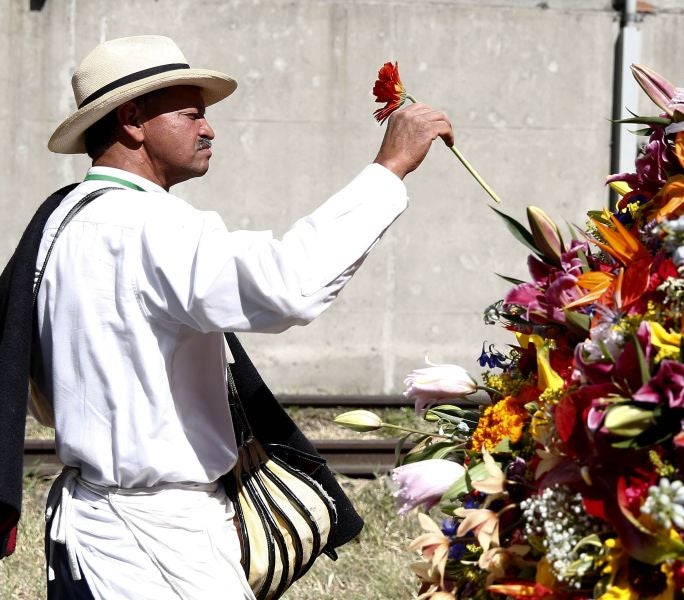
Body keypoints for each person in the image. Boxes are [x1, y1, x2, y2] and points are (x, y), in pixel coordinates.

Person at [27, 35, 452, 599]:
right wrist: (389, 167)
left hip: (91, 527)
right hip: (156, 542)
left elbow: (39, 389)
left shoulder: (56, 224)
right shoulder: (152, 227)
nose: (209, 128)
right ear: (132, 120)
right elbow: (287, 285)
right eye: (191, 113)